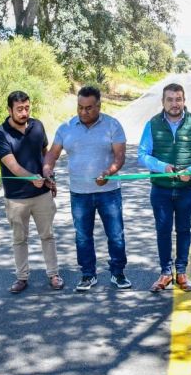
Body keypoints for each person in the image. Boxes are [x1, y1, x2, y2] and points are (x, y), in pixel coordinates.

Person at [43, 86, 130, 291]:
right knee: (83, 235)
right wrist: (47, 169)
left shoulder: (112, 125)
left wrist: (109, 172)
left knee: (115, 234)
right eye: (80, 107)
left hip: (108, 191)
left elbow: (120, 156)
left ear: (99, 105)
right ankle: (88, 274)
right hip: (79, 193)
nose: (84, 112)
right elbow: (52, 154)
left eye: (89, 108)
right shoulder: (66, 128)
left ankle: (118, 273)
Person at [138, 83, 191, 293]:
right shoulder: (152, 124)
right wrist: (162, 167)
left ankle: (181, 272)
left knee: (183, 228)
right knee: (163, 229)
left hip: (187, 188)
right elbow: (143, 154)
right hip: (160, 188)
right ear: (163, 102)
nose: (174, 104)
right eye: (170, 99)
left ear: (184, 101)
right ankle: (164, 272)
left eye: (178, 99)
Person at [0, 91, 64, 294]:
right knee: (19, 239)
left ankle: (54, 274)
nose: (24, 113)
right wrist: (32, 177)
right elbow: (12, 166)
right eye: (19, 109)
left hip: (42, 194)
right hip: (16, 198)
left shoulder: (38, 126)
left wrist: (50, 177)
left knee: (48, 235)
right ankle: (21, 277)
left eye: (27, 108)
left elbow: (45, 154)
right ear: (9, 110)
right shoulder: (0, 134)